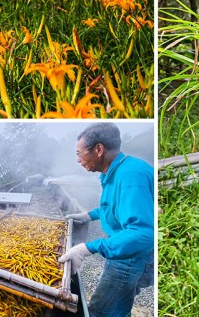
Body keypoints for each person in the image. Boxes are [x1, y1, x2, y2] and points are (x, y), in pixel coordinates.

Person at [58, 123, 154, 317]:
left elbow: (142, 233)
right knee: (118, 303)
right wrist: (89, 215)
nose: (78, 160)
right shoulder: (116, 170)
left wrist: (89, 248)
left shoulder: (130, 176)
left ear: (99, 149)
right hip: (126, 250)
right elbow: (114, 207)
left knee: (103, 312)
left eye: (79, 153)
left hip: (132, 256)